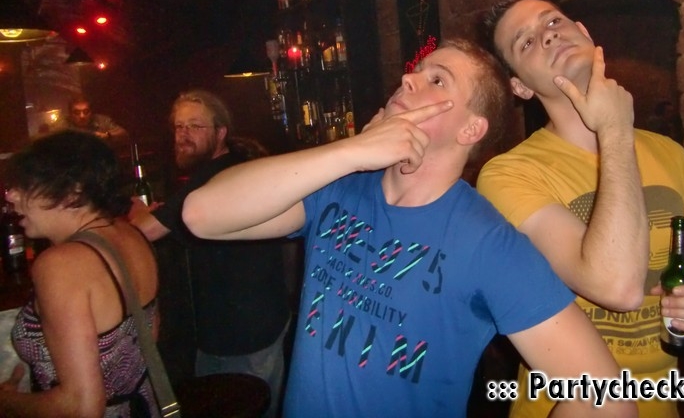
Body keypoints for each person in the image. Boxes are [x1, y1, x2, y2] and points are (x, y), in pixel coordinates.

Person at [181, 38, 635, 418]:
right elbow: (202, 215)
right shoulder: (339, 186)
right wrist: (353, 150)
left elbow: (606, 397)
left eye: (437, 80)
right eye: (416, 71)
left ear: (470, 129)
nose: (408, 79)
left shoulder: (487, 243)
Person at [476, 0, 684, 418]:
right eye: (526, 42)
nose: (548, 36)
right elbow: (616, 288)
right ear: (520, 86)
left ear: (585, 33)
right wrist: (615, 129)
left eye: (553, 22)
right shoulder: (508, 174)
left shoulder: (670, 153)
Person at [128, 89, 291, 418]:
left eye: (195, 126)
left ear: (220, 133)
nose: (183, 135)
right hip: (252, 322)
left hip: (241, 332)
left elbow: (145, 231)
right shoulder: (225, 168)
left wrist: (136, 216)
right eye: (179, 127)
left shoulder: (214, 174)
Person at [0, 130, 159, 416]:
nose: (11, 195)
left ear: (73, 192)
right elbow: (146, 344)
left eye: (26, 185)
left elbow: (81, 407)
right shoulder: (131, 235)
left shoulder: (60, 265)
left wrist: (6, 402)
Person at [54, 95, 129, 148]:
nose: (82, 116)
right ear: (70, 114)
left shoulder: (102, 121)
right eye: (76, 112)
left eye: (86, 111)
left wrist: (107, 135)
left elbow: (124, 134)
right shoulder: (62, 125)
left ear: (91, 112)